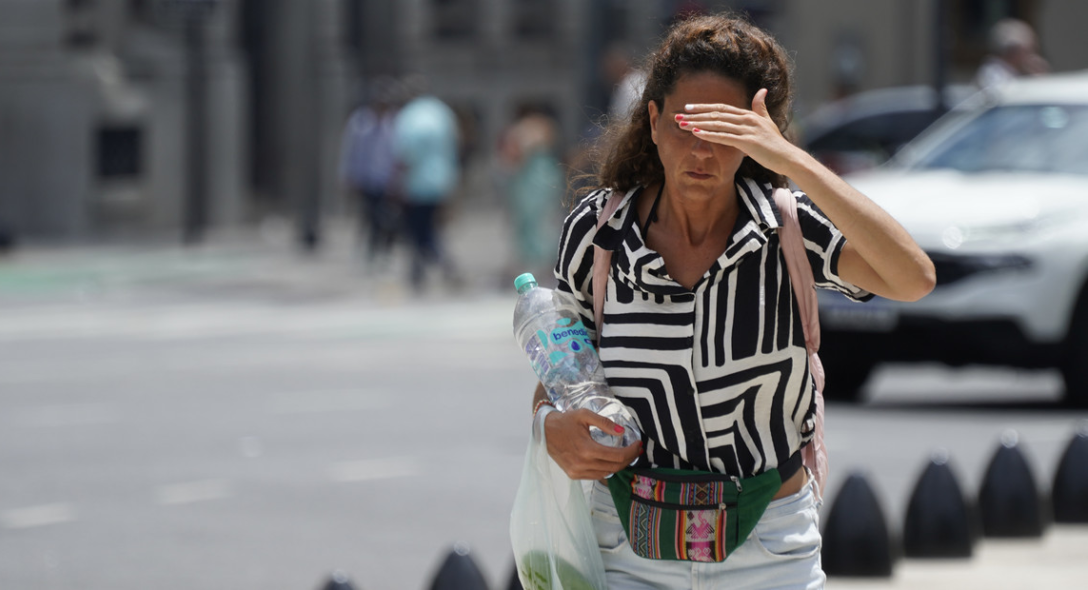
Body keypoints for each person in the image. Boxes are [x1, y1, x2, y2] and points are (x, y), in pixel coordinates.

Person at [530, 14, 935, 589]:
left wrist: (791, 161)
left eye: (726, 129)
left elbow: (913, 278)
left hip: (772, 549)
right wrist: (549, 426)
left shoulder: (788, 230)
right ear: (653, 121)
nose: (702, 150)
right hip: (627, 548)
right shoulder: (598, 234)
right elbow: (561, 372)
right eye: (686, 124)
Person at [392, 78, 462, 291]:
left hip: (416, 183)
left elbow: (404, 154)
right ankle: (421, 269)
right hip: (441, 180)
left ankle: (433, 268)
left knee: (419, 228)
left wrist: (396, 183)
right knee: (431, 226)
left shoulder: (407, 116)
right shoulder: (442, 112)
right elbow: (454, 146)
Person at [340, 76, 401, 268]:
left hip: (388, 180)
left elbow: (399, 152)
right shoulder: (360, 121)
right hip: (366, 179)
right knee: (369, 216)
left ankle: (384, 250)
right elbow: (350, 150)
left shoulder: (394, 123)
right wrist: (347, 175)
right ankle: (370, 251)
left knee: (387, 218)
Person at [498, 109, 564, 283]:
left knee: (533, 225)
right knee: (539, 224)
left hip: (531, 183)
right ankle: (542, 264)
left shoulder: (525, 133)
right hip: (538, 181)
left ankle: (537, 263)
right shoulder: (541, 138)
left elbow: (513, 155)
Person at [975, 18, 1049, 91]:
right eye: (1027, 50)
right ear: (1013, 51)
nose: (1031, 55)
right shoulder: (993, 73)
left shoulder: (1013, 70)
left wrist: (1038, 77)